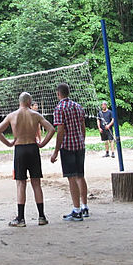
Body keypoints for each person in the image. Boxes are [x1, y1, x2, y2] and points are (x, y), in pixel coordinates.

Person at [0, 92, 56, 227]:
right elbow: (51, 129)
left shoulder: (12, 116)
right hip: (33, 149)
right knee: (36, 183)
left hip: (20, 149)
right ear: (29, 102)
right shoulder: (36, 115)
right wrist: (42, 144)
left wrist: (9, 143)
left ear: (20, 102)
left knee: (21, 184)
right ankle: (41, 216)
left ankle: (21, 218)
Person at [50, 82, 89, 221]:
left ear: (58, 94)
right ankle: (85, 207)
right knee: (80, 176)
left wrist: (55, 151)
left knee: (71, 178)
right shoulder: (78, 106)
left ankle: (77, 210)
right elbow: (83, 127)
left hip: (67, 146)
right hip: (79, 145)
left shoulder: (59, 108)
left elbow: (60, 131)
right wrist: (82, 140)